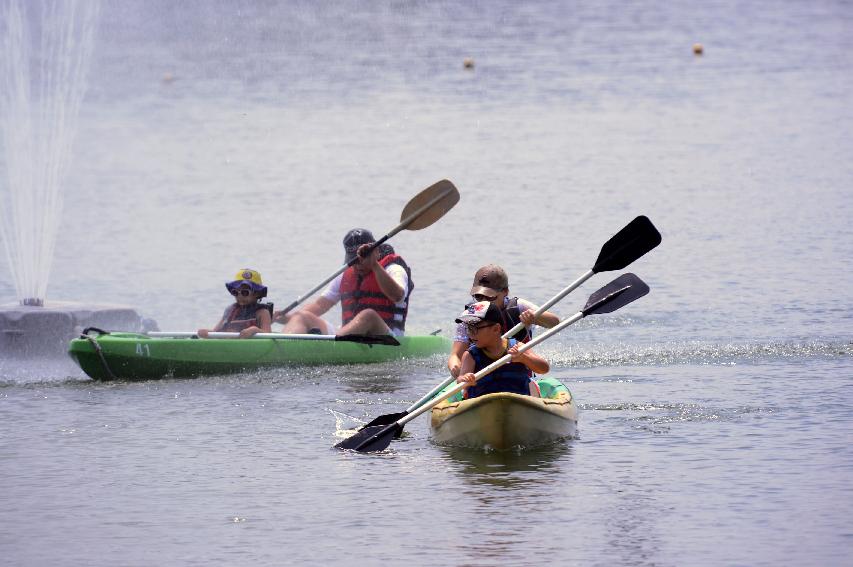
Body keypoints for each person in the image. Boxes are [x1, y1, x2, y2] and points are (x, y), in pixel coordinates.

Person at [274, 228, 412, 337]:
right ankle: (282, 349)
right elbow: (320, 305)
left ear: (375, 252)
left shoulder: (394, 269)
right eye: (354, 261)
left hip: (387, 337)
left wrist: (374, 265)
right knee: (301, 316)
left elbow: (397, 296)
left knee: (367, 315)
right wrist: (288, 318)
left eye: (361, 260)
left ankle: (330, 348)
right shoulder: (346, 274)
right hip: (347, 336)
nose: (357, 265)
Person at [447, 264, 559, 377]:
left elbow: (554, 322)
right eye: (478, 296)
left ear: (505, 291)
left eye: (490, 297)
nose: (483, 301)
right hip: (481, 380)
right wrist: (455, 367)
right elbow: (455, 355)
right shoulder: (469, 316)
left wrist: (534, 316)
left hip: (519, 376)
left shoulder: (518, 306)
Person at [454, 301, 550, 398]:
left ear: (496, 329)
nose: (470, 333)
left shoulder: (517, 347)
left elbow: (544, 369)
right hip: (484, 405)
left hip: (518, 402)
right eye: (468, 328)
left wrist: (524, 358)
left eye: (475, 328)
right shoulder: (471, 355)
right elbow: (460, 381)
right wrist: (464, 379)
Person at [197, 268, 273, 338]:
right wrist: (207, 333)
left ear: (257, 294)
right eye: (235, 292)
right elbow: (217, 332)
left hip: (251, 347)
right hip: (229, 345)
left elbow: (268, 335)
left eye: (244, 292)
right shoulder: (230, 310)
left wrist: (255, 330)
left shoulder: (262, 313)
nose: (239, 296)